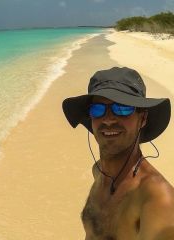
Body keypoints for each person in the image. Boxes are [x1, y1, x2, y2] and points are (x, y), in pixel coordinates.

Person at [62, 67, 174, 240]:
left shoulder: (158, 200)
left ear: (142, 118)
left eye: (122, 108)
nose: (108, 119)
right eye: (98, 109)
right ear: (90, 117)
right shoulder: (99, 171)